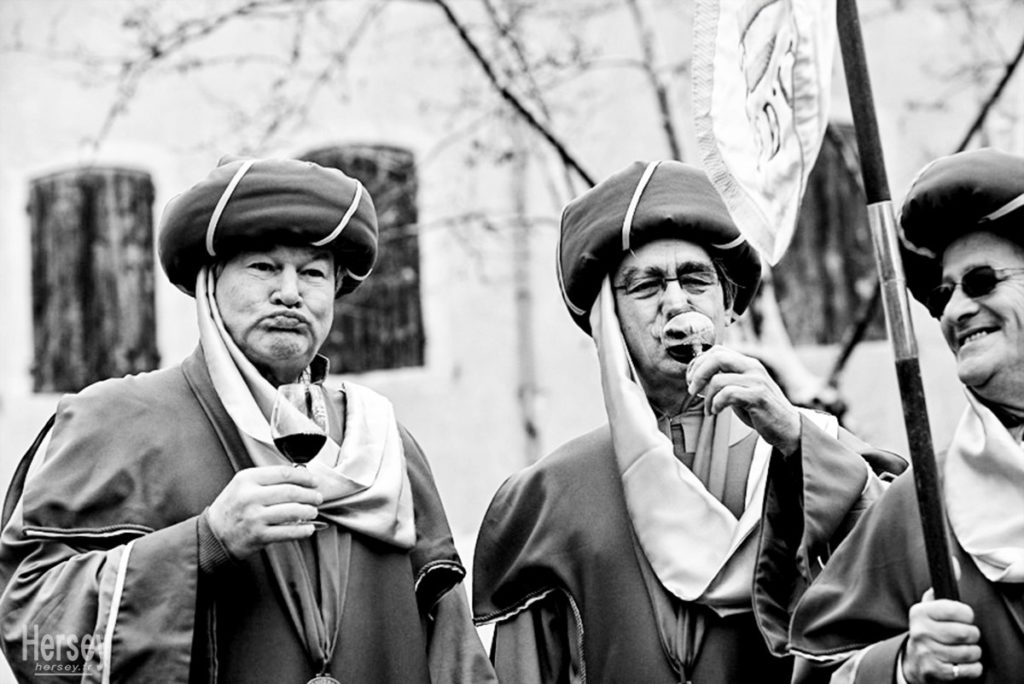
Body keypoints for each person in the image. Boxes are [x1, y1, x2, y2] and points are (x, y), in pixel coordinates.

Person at [0, 157, 496, 683]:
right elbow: (36, 635)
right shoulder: (114, 421)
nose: (290, 292)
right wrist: (205, 544)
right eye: (263, 267)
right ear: (210, 282)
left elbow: (455, 653)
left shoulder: (383, 442)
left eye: (313, 273)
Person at [472, 160, 906, 683]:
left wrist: (797, 441)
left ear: (729, 305)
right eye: (646, 285)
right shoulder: (549, 499)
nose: (677, 304)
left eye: (697, 279)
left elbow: (906, 576)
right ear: (609, 321)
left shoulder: (818, 452)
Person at [790, 148, 1024, 684]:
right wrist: (900, 666)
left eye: (981, 281)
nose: (955, 309)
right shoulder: (917, 506)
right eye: (943, 294)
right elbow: (819, 672)